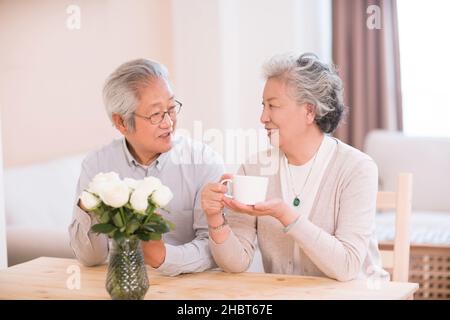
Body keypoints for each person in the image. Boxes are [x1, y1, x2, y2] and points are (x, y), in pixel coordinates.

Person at [201, 53, 385, 281]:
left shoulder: (356, 168)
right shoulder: (255, 168)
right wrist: (215, 218)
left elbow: (346, 266)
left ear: (309, 111)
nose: (263, 117)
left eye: (273, 106)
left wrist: (286, 215)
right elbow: (236, 263)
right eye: (263, 106)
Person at [69, 59, 224, 276]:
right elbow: (90, 258)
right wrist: (89, 206)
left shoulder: (203, 161)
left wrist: (163, 258)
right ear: (122, 122)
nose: (169, 123)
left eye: (171, 109)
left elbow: (215, 249)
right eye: (155, 114)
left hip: (190, 290)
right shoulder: (97, 165)